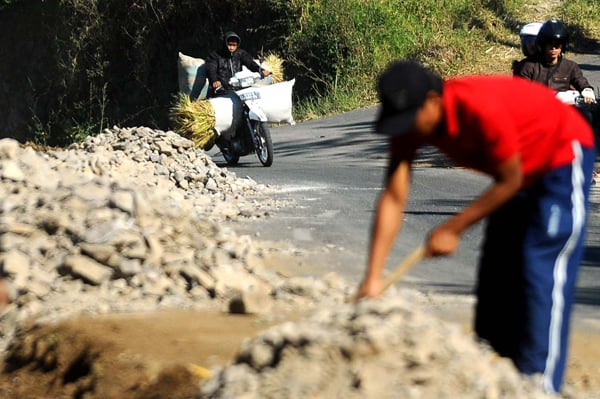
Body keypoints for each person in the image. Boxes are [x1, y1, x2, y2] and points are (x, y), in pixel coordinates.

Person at [355, 60, 595, 394]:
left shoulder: (477, 108)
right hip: (515, 170)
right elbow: (394, 197)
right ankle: (493, 370)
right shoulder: (412, 126)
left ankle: (540, 384)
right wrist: (372, 278)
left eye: (409, 121)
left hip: (560, 156)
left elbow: (510, 179)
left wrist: (453, 228)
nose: (406, 130)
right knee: (497, 268)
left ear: (433, 102)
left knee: (539, 266)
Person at [514, 19, 596, 104]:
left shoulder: (570, 66)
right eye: (550, 44)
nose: (553, 48)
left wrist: (587, 91)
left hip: (564, 111)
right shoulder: (528, 67)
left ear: (562, 47)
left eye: (557, 45)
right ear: (543, 45)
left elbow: (580, 81)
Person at [205, 31, 270, 96]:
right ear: (225, 43)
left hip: (239, 87)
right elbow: (211, 70)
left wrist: (261, 70)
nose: (231, 47)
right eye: (229, 44)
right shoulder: (215, 56)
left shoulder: (240, 53)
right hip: (222, 89)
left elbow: (250, 63)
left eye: (234, 45)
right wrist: (215, 81)